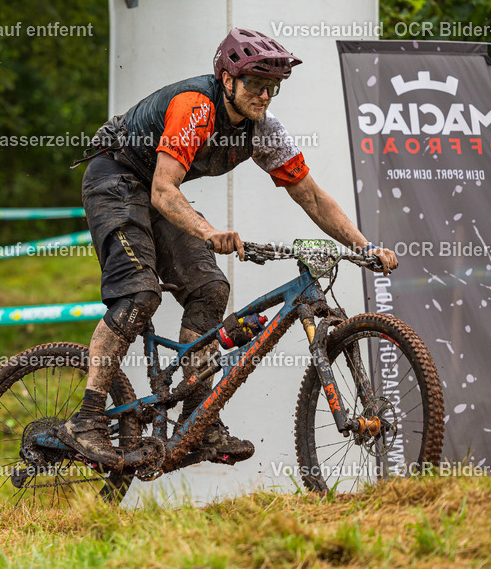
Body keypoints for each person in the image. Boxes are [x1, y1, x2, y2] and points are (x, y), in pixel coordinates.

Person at [58, 28, 398, 469]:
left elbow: (312, 197)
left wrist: (365, 247)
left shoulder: (264, 131)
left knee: (210, 289)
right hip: (115, 177)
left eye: (272, 87)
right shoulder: (195, 107)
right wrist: (209, 231)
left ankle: (196, 421)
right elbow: (163, 190)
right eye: (255, 83)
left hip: (156, 192)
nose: (264, 95)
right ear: (226, 79)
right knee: (139, 294)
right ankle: (86, 419)